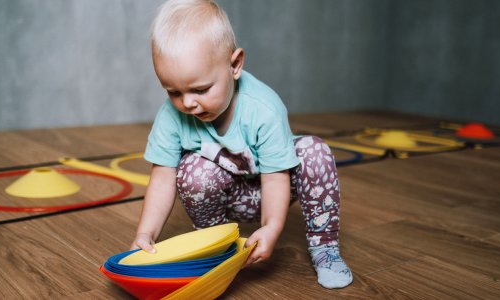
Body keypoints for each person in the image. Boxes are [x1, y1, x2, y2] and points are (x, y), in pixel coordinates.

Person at [130, 0, 352, 289]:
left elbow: (276, 177)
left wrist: (271, 227)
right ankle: (216, 246)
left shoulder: (263, 108)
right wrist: (146, 233)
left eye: (200, 89)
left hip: (273, 189)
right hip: (228, 196)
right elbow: (162, 179)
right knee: (192, 170)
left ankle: (325, 248)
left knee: (315, 152)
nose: (187, 103)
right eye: (173, 92)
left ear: (234, 65)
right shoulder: (171, 117)